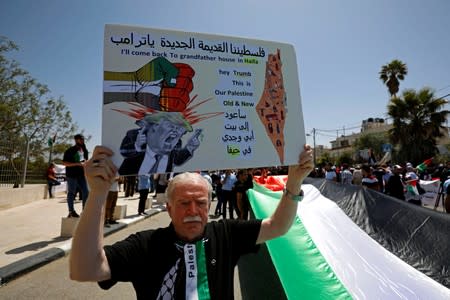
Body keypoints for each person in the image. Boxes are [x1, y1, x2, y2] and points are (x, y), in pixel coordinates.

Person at [70, 144, 314, 299]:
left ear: (209, 206)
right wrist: (98, 193)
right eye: (184, 203)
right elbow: (85, 270)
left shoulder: (226, 234)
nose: (193, 211)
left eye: (201, 203)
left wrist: (294, 183)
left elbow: (279, 226)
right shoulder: (145, 244)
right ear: (168, 208)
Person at [118, 111, 201, 176]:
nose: (176, 131)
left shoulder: (176, 142)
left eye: (180, 129)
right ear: (154, 126)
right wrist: (137, 145)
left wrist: (190, 147)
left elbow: (177, 160)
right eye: (171, 126)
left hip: (158, 183)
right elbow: (123, 151)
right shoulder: (135, 135)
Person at [63, 134, 89, 217]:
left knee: (86, 192)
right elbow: (65, 163)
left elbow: (85, 162)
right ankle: (71, 211)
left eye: (83, 139)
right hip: (72, 175)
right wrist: (77, 164)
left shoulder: (84, 150)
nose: (83, 140)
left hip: (81, 175)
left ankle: (85, 211)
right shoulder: (70, 150)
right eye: (81, 139)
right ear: (76, 140)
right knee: (71, 193)